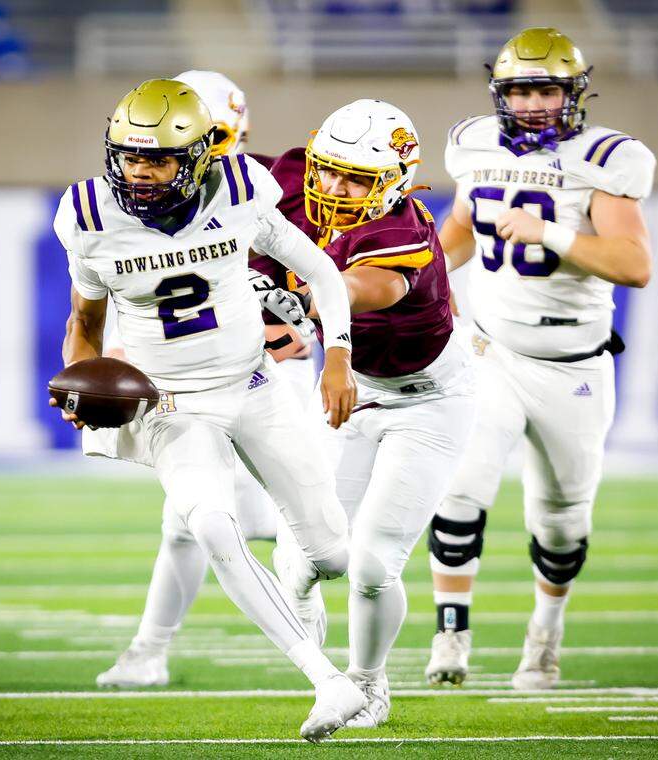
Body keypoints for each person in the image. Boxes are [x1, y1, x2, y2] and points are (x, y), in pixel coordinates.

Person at [50, 79, 366, 741]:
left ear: (197, 157)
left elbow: (324, 274)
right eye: (128, 156)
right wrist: (79, 377)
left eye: (158, 158)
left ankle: (314, 622)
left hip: (253, 385)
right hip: (167, 402)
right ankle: (326, 680)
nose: (138, 172)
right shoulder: (88, 214)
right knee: (211, 525)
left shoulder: (242, 189)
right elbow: (85, 319)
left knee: (334, 556)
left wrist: (337, 354)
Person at [423, 27, 655, 690]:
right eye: (520, 89)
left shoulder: (606, 159)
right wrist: (421, 281)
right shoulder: (475, 143)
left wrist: (552, 231)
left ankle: (545, 637)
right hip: (491, 348)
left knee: (559, 520)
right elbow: (464, 227)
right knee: (462, 483)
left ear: (573, 93)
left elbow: (636, 265)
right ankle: (451, 635)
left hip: (573, 364)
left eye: (545, 88)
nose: (531, 103)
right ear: (499, 93)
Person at [93, 70, 316, 691]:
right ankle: (149, 649)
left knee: (294, 522)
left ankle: (315, 645)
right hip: (188, 382)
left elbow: (328, 267)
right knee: (188, 520)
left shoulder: (268, 184)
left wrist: (313, 325)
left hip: (271, 375)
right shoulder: (130, 202)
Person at [258, 99, 475, 727]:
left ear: (396, 181)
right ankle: (306, 619)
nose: (333, 187)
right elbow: (228, 182)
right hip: (357, 397)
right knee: (304, 553)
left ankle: (368, 683)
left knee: (374, 565)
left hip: (428, 405)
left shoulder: (401, 233)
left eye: (355, 177)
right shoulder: (297, 179)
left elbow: (350, 288)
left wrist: (293, 301)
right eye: (329, 170)